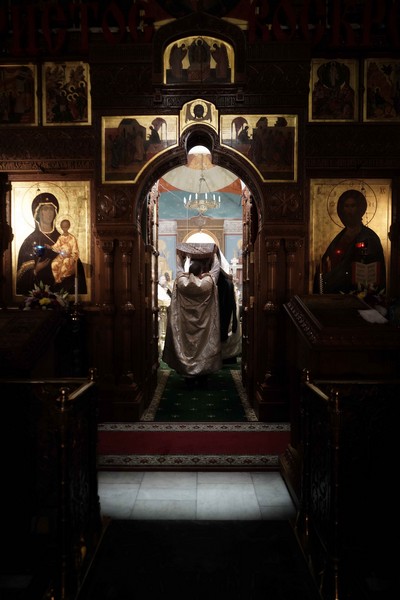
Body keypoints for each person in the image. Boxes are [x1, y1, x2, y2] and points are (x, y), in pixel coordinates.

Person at [162, 246, 222, 386]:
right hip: (203, 325)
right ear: (201, 272)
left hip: (185, 325)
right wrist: (214, 254)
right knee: (203, 345)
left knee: (186, 345)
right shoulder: (207, 282)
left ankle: (188, 377)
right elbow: (216, 269)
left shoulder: (181, 282)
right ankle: (202, 375)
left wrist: (179, 255)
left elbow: (178, 268)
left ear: (189, 271)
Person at [315, 189, 386, 294]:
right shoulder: (340, 237)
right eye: (346, 206)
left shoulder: (369, 237)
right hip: (335, 295)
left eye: (353, 206)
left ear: (359, 208)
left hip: (357, 294)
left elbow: (374, 270)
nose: (349, 211)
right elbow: (327, 264)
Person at [16, 192, 87, 296]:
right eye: (45, 209)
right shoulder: (29, 242)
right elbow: (21, 277)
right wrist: (36, 269)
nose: (49, 212)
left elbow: (76, 266)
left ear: (55, 212)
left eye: (51, 209)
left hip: (62, 294)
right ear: (38, 213)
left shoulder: (65, 239)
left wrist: (72, 267)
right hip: (37, 296)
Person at [45, 219, 79, 284]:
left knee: (65, 263)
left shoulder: (72, 238)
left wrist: (70, 255)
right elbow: (57, 246)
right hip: (61, 256)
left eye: (66, 227)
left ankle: (61, 280)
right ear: (61, 227)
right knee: (54, 263)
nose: (64, 229)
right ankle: (57, 280)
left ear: (69, 227)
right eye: (63, 227)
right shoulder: (60, 237)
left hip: (69, 257)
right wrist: (50, 247)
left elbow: (75, 251)